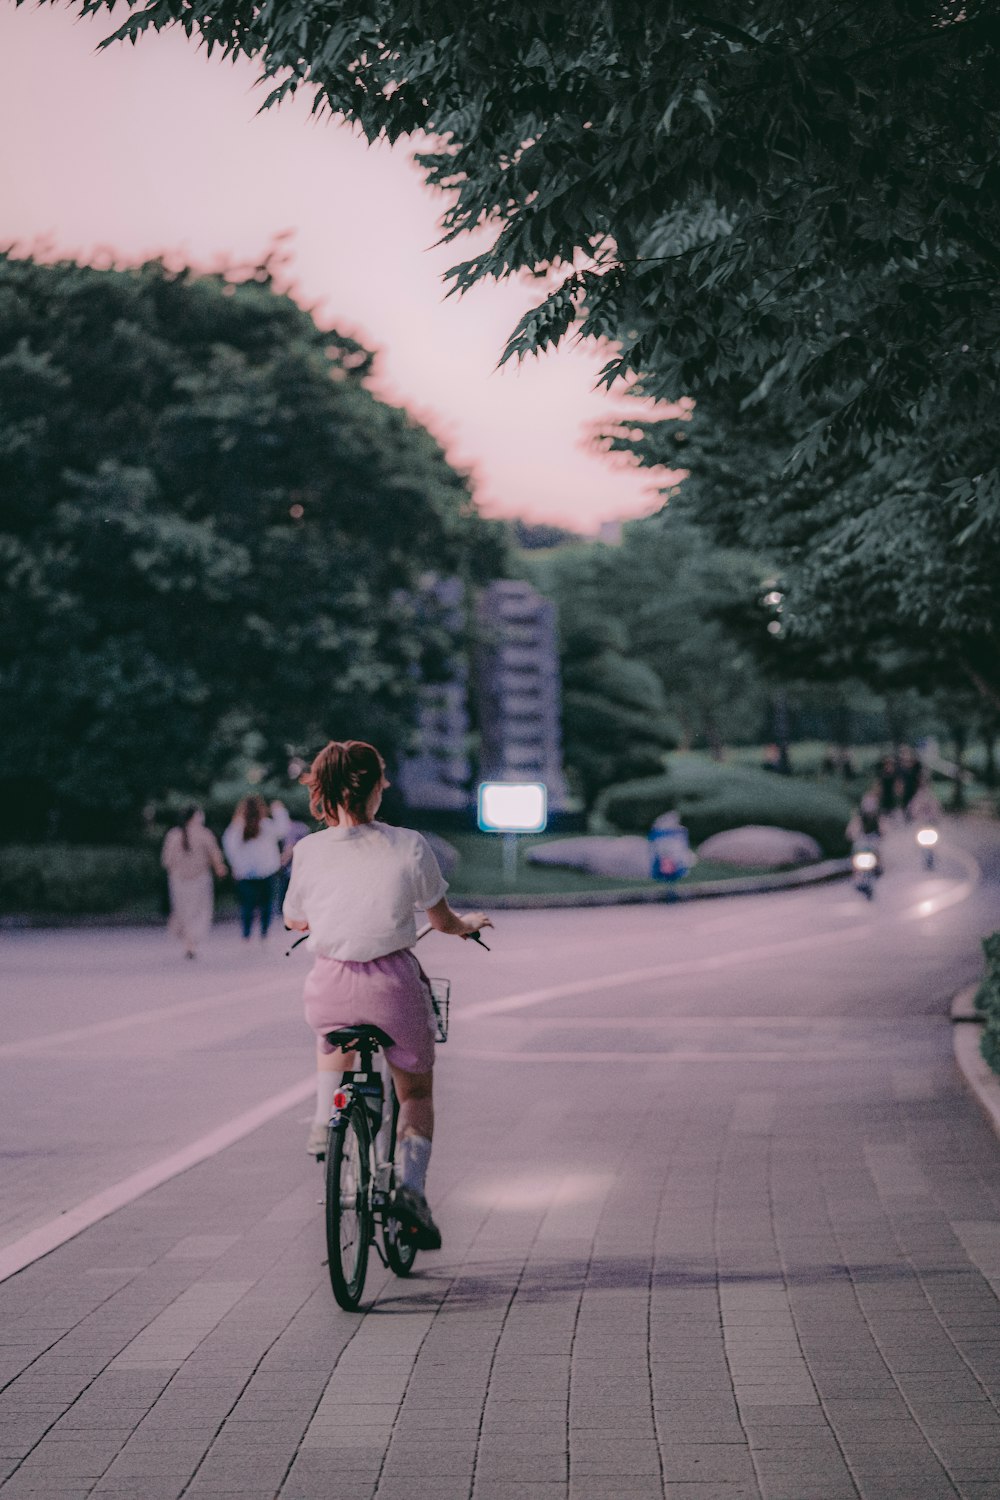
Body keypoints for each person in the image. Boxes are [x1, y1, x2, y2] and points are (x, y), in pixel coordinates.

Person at [283, 739, 492, 1250]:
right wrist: (468, 925)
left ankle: (320, 1121)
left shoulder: (308, 850)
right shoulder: (409, 844)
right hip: (392, 988)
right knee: (415, 1092)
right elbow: (441, 921)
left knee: (332, 1039)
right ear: (376, 786)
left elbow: (294, 918)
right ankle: (410, 1189)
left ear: (324, 790)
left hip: (329, 987)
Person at [160, 806, 227, 959]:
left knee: (183, 911)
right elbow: (215, 856)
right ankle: (191, 942)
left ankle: (187, 942)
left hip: (178, 880)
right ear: (196, 816)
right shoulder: (204, 834)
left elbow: (166, 861)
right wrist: (220, 869)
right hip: (200, 878)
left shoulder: (173, 835)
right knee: (198, 912)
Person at [223, 795, 291, 944]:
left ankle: (246, 935)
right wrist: (279, 811)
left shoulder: (237, 828)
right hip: (267, 870)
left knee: (247, 905)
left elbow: (230, 847)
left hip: (245, 872)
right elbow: (283, 830)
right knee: (266, 904)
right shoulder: (266, 825)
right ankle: (264, 934)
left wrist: (235, 865)